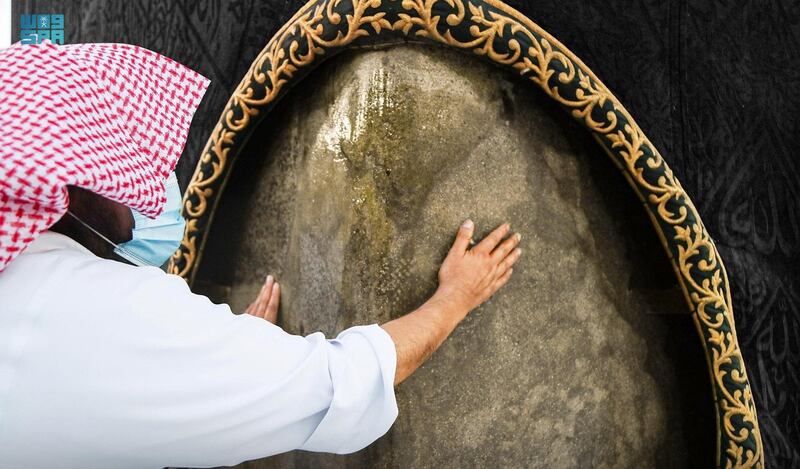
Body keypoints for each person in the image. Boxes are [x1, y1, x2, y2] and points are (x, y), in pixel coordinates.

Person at [0, 40, 521, 468]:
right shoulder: (93, 313)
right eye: (125, 170)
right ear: (72, 186)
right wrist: (455, 297)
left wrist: (223, 358)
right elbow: (334, 386)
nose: (146, 193)